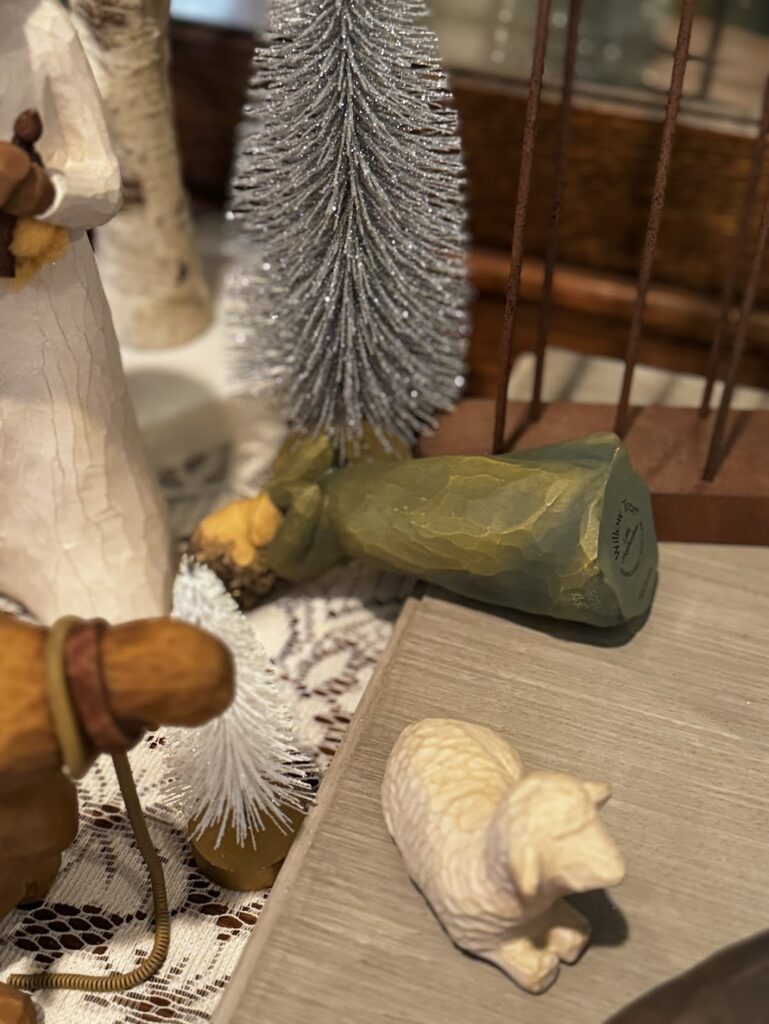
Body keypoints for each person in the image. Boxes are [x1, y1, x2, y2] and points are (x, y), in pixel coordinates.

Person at [0, 0, 173, 624]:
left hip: (44, 309)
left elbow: (103, 184)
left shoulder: (44, 28)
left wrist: (41, 190)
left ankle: (70, 552)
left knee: (67, 450)